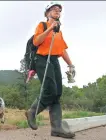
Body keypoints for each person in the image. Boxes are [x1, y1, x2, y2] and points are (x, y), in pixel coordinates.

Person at [25, 1, 76, 138]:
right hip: (42, 59)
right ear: (47, 13)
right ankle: (32, 112)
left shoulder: (59, 32)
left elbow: (62, 50)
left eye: (59, 9)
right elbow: (36, 42)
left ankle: (57, 129)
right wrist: (49, 28)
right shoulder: (42, 25)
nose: (57, 11)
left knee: (57, 93)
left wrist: (71, 65)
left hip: (54, 60)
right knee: (50, 89)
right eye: (54, 9)